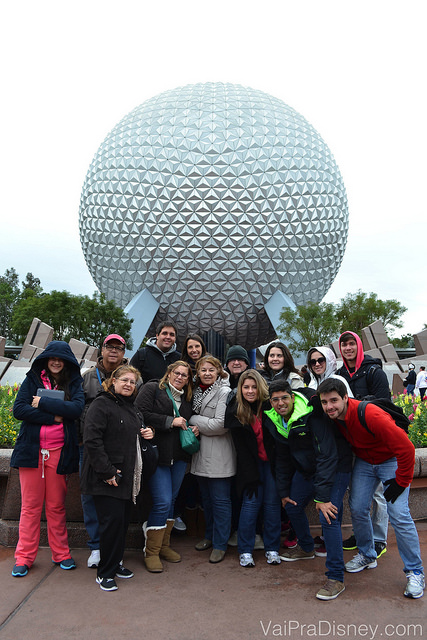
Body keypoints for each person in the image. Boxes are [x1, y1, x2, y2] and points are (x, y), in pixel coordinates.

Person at [318, 378, 425, 599]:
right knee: (357, 508)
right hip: (366, 463)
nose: (329, 406)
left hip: (390, 461)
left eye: (334, 400)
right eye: (324, 402)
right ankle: (367, 554)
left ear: (346, 398)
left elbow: (407, 448)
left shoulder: (370, 414)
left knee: (399, 514)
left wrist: (401, 481)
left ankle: (415, 571)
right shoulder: (333, 416)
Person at [266, 380, 352, 600]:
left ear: (292, 396)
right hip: (306, 470)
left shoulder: (312, 414)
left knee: (328, 517)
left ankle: (336, 578)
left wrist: (322, 496)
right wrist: (284, 491)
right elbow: (284, 458)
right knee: (292, 506)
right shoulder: (277, 419)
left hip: (335, 468)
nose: (280, 403)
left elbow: (328, 454)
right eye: (275, 399)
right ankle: (306, 547)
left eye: (284, 397)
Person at [11, 341, 84, 577]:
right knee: (30, 507)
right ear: (46, 359)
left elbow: (75, 410)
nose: (56, 362)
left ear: (67, 362)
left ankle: (61, 554)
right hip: (31, 453)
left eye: (61, 359)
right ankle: (23, 557)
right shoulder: (32, 379)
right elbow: (19, 409)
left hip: (59, 453)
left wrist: (41, 402)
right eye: (52, 358)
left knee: (56, 506)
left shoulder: (74, 381)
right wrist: (54, 417)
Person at [81, 364, 153, 591]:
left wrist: (147, 431)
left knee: (120, 524)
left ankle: (114, 564)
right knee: (110, 525)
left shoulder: (131, 408)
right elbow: (92, 441)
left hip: (124, 476)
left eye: (133, 382)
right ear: (114, 381)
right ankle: (105, 573)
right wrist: (107, 472)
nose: (129, 385)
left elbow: (135, 434)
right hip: (107, 476)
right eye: (125, 380)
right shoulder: (100, 404)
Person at [135, 360, 196, 572]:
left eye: (184, 375)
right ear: (168, 373)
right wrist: (170, 421)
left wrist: (192, 428)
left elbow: (187, 421)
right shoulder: (153, 388)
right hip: (157, 455)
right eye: (176, 373)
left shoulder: (188, 398)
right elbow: (139, 413)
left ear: (188, 379)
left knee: (171, 500)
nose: (180, 377)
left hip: (178, 456)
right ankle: (150, 551)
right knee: (161, 501)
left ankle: (164, 546)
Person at [337, 331, 390, 557]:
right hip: (352, 443)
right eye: (344, 345)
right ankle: (362, 535)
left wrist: (361, 405)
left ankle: (378, 539)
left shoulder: (373, 371)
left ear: (359, 346)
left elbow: (385, 403)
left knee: (377, 494)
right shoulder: (340, 374)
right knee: (358, 495)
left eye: (351, 344)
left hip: (374, 443)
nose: (348, 348)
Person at [79, 333, 129, 568]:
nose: (114, 351)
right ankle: (97, 546)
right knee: (90, 496)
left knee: (118, 499)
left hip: (120, 448)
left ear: (123, 353)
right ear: (102, 349)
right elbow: (77, 408)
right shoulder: (88, 377)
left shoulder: (130, 378)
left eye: (118, 348)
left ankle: (114, 548)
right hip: (91, 446)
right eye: (110, 346)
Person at [225, 370, 281, 568]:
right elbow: (241, 449)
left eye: (254, 387)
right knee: (250, 504)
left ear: (261, 387)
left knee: (272, 505)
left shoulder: (269, 406)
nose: (250, 391)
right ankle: (245, 550)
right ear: (240, 389)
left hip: (271, 464)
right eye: (246, 387)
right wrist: (250, 475)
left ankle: (272, 548)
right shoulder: (235, 410)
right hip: (250, 465)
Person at [189, 356, 234, 563]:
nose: (207, 373)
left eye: (211, 370)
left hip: (219, 455)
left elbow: (221, 425)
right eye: (203, 370)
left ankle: (220, 544)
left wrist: (193, 420)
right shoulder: (196, 391)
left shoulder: (224, 392)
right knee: (206, 501)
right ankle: (209, 536)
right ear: (197, 372)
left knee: (220, 502)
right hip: (200, 455)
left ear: (219, 372)